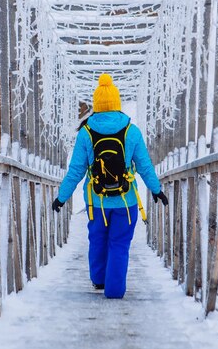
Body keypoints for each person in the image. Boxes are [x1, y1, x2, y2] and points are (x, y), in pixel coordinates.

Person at [51, 73, 168, 299]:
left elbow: (76, 170)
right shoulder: (131, 131)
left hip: (96, 201)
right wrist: (156, 190)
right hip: (127, 201)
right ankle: (115, 290)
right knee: (119, 243)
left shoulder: (86, 133)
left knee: (97, 238)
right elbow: (144, 166)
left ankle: (98, 279)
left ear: (96, 105)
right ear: (117, 103)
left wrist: (62, 197)